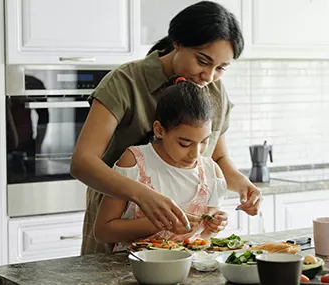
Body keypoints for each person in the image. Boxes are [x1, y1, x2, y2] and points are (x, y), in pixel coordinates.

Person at [71, 1, 262, 254]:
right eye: (203, 61)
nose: (209, 75)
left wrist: (241, 184)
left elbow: (217, 156)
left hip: (182, 245)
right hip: (118, 228)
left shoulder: (214, 90)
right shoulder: (125, 81)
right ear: (178, 43)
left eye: (221, 68)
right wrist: (142, 195)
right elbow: (82, 162)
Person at [94, 78, 228, 251]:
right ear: (159, 130)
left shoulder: (211, 172)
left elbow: (203, 237)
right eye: (185, 143)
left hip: (189, 270)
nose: (196, 153)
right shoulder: (135, 162)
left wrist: (214, 226)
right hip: (133, 270)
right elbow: (103, 231)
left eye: (204, 142)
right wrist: (160, 223)